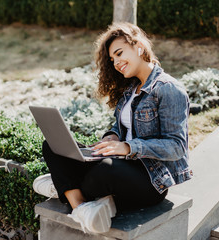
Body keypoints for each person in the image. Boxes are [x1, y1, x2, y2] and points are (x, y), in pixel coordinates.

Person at [33, 22, 192, 234]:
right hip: (122, 166)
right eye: (112, 59)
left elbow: (177, 146)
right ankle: (81, 207)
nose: (116, 62)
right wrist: (112, 137)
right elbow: (119, 126)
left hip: (151, 181)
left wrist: (128, 147)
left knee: (105, 170)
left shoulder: (168, 89)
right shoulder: (130, 89)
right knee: (52, 146)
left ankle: (65, 187)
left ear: (139, 47)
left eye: (119, 53)